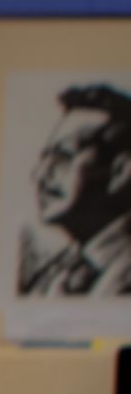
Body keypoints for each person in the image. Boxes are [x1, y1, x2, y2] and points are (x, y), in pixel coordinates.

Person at [18, 88, 131, 298]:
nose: (39, 175)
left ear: (120, 171)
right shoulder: (56, 272)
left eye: (63, 156)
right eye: (45, 158)